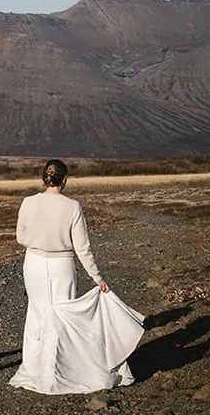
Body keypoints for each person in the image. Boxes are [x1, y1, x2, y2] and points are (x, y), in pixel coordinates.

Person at [9, 158, 143, 395]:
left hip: (34, 264)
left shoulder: (28, 203)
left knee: (37, 312)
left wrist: (39, 242)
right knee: (64, 316)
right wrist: (97, 277)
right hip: (62, 265)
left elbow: (20, 236)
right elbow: (83, 248)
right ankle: (62, 369)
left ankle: (35, 368)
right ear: (65, 180)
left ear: (43, 178)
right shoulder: (72, 207)